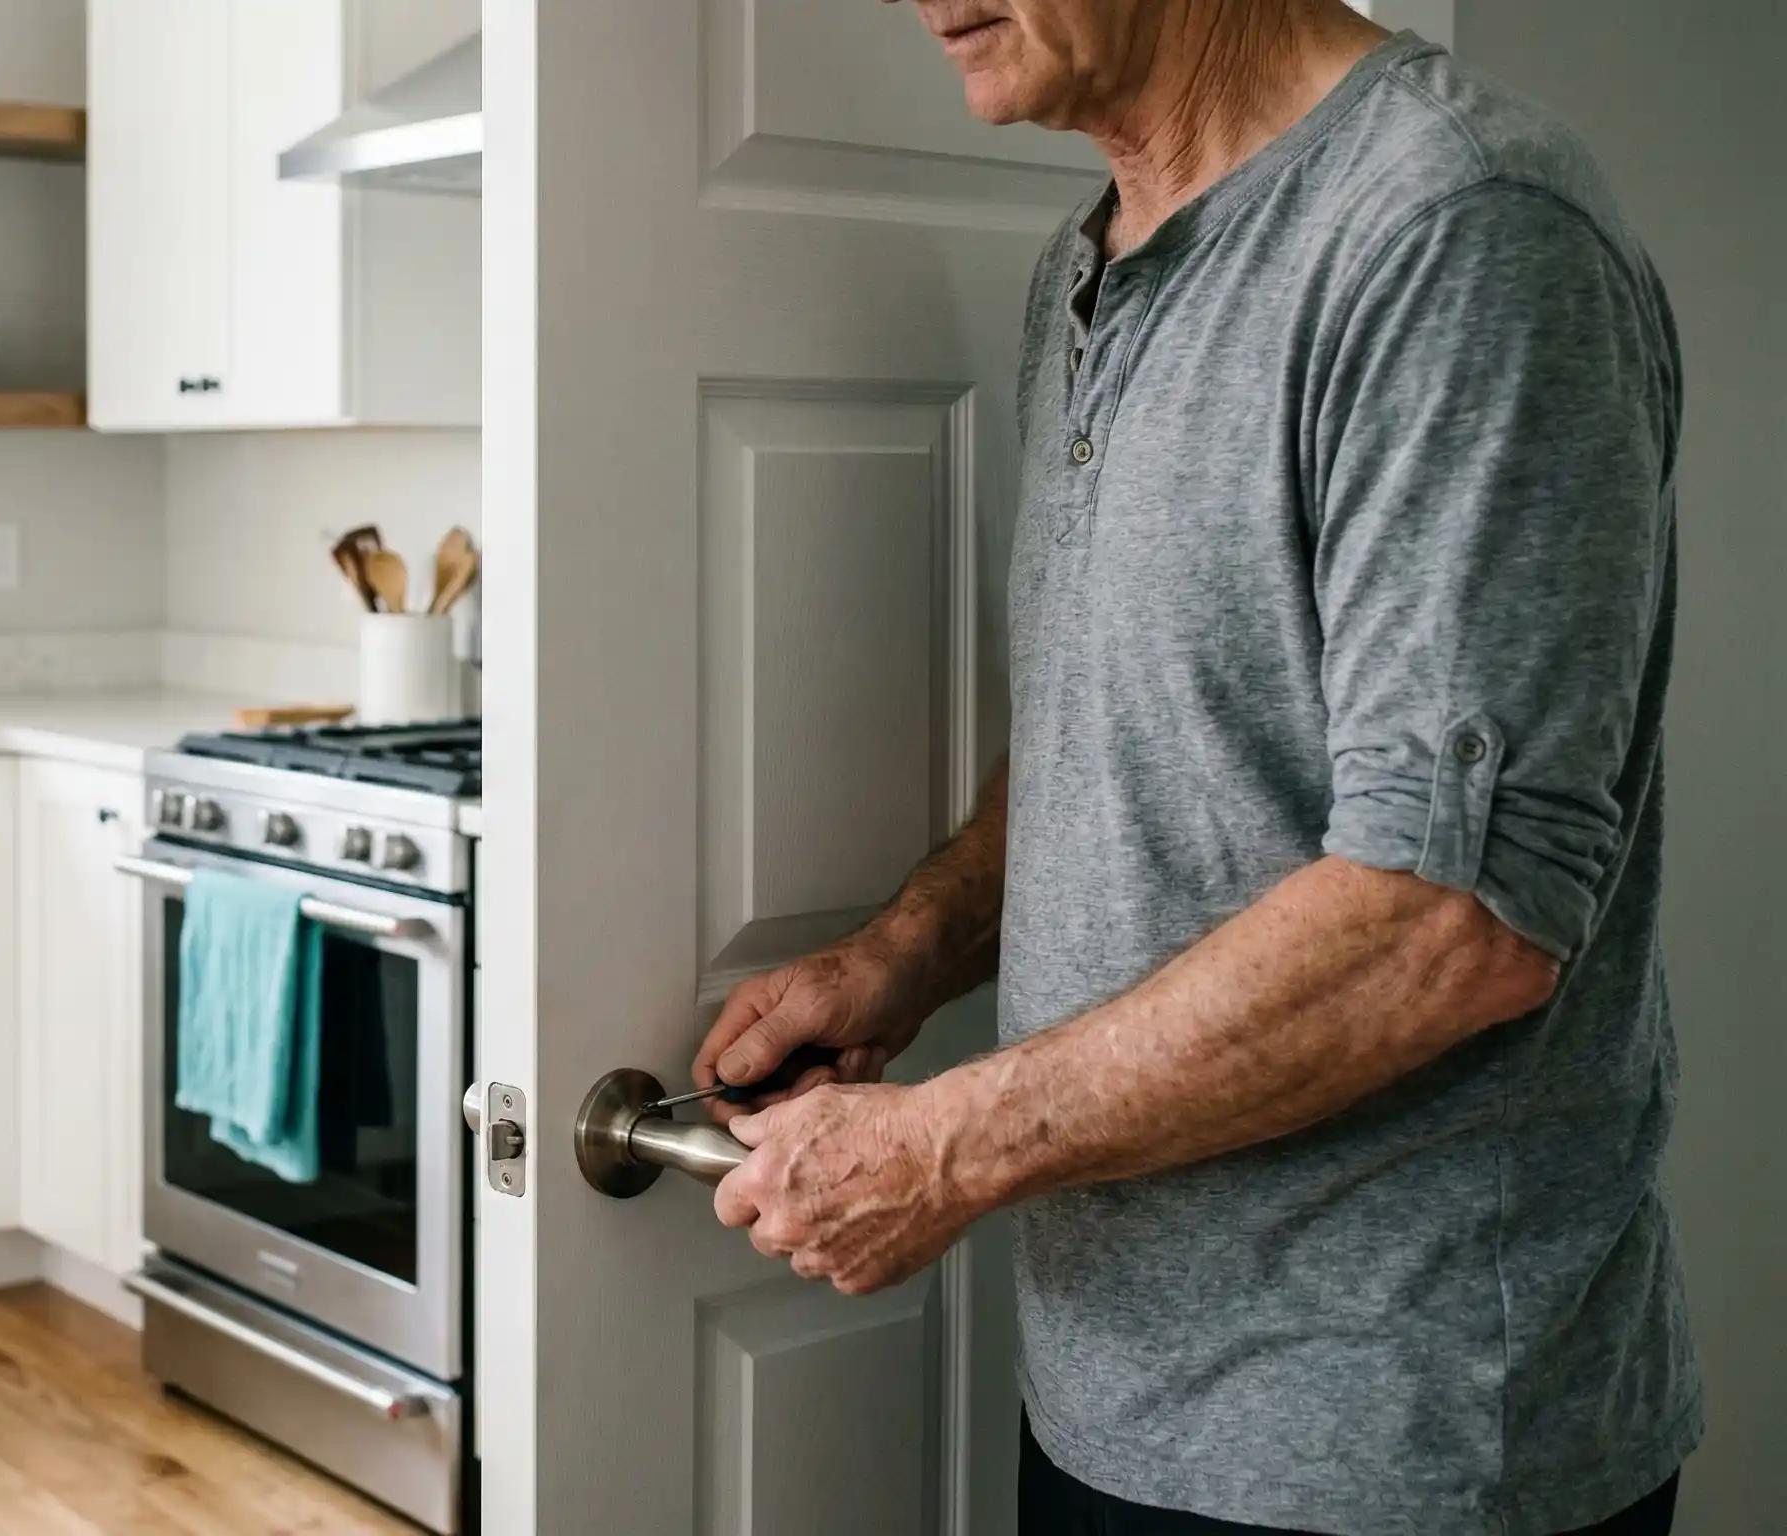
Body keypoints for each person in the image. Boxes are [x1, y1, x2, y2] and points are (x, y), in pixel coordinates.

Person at [690, 2, 1696, 1531]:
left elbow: (1453, 923)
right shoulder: (1088, 262)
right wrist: (914, 948)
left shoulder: (1456, 225)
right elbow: (1132, 726)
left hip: (1392, 1450)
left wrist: (946, 1146)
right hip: (1110, 1406)